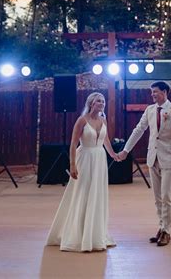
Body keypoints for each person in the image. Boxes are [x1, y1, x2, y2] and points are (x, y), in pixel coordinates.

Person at [117, 81, 171, 247]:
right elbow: (138, 130)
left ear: (164, 92)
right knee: (157, 198)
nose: (153, 95)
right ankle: (161, 226)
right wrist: (126, 150)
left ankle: (167, 231)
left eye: (155, 92)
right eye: (151, 92)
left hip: (169, 158)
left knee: (166, 196)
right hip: (153, 157)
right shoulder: (150, 110)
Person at [45, 92, 119, 252]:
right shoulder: (82, 120)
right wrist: (72, 165)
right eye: (98, 101)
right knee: (83, 193)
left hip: (100, 159)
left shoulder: (103, 120)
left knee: (97, 194)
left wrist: (113, 154)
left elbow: (105, 140)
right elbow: (73, 144)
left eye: (103, 101)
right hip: (84, 158)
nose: (102, 103)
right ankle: (78, 235)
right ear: (91, 103)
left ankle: (95, 234)